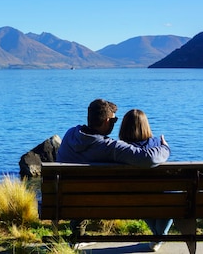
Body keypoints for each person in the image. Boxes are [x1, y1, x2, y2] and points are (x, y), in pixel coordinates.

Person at [56, 99, 171, 242]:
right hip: (98, 200)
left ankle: (77, 234)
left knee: (82, 186)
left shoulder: (70, 134)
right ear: (106, 121)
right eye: (114, 120)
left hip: (63, 197)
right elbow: (148, 158)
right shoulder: (110, 147)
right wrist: (165, 147)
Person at [119, 108, 174, 252]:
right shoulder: (157, 144)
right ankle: (159, 236)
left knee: (139, 198)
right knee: (172, 200)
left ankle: (158, 236)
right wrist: (165, 147)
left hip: (134, 200)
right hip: (160, 197)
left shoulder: (119, 149)